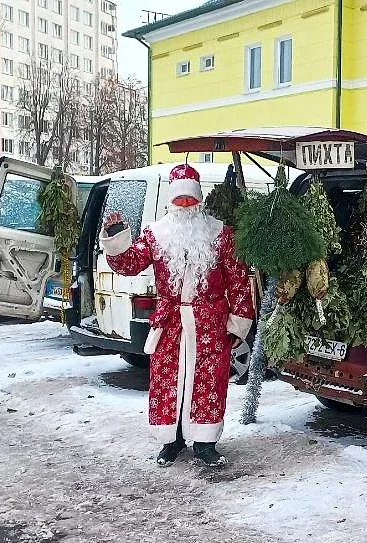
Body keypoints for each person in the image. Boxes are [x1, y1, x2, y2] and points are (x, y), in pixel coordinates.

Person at [100, 164, 255, 468]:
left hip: (210, 324)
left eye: (190, 199)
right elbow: (129, 264)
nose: (185, 204)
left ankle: (205, 443)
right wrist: (116, 239)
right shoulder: (156, 235)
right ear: (171, 201)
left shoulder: (221, 235)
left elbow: (238, 281)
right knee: (168, 381)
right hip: (170, 322)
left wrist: (238, 325)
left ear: (199, 201)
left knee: (209, 381)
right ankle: (171, 441)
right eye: (179, 199)